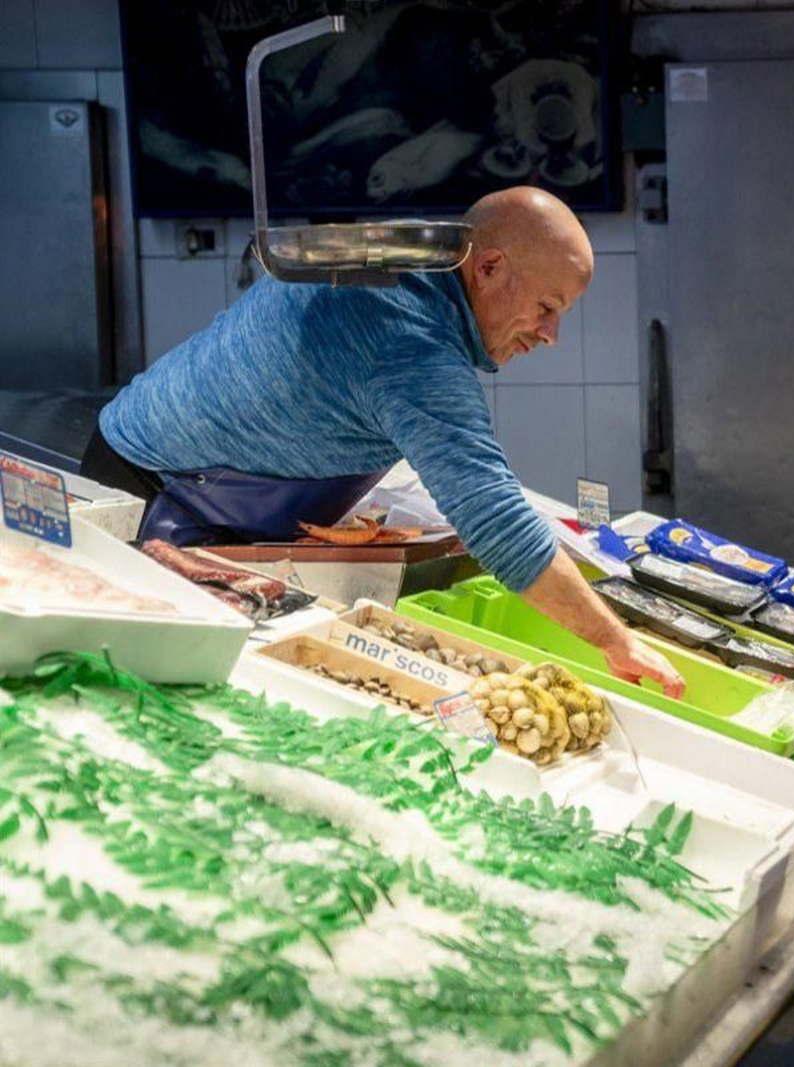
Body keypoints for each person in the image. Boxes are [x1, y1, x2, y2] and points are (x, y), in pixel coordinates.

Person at [83, 187, 684, 698]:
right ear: (490, 267)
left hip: (165, 461)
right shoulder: (411, 348)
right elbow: (494, 519)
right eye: (547, 307)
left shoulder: (412, 269)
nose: (552, 335)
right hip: (154, 495)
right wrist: (616, 640)